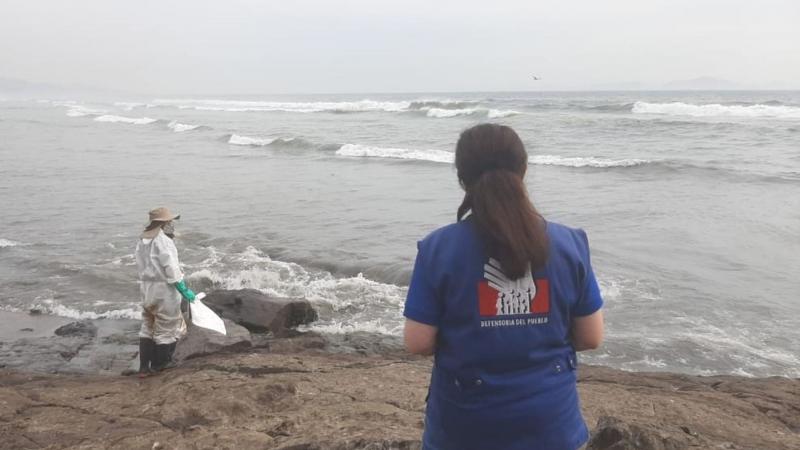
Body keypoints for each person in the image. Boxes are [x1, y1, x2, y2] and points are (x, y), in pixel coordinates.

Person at [403, 124, 604, 450]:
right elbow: (590, 337)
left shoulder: (438, 248)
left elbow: (418, 342)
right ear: (523, 170)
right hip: (552, 426)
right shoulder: (570, 243)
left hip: (463, 428)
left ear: (462, 178)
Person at [135, 207, 198, 377]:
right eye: (169, 222)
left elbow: (140, 265)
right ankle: (160, 365)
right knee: (166, 327)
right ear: (163, 223)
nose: (171, 224)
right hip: (164, 290)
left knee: (147, 326)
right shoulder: (163, 241)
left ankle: (143, 367)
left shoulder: (143, 240)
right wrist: (183, 288)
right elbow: (171, 267)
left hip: (147, 288)